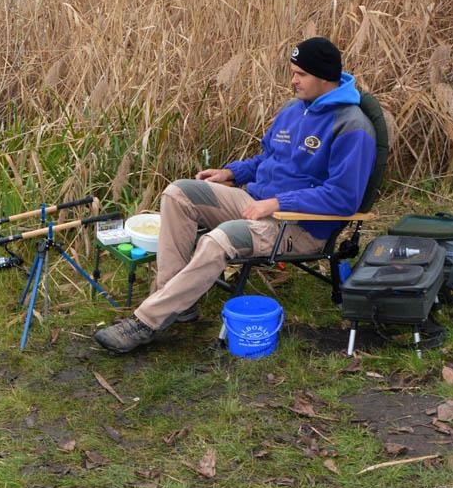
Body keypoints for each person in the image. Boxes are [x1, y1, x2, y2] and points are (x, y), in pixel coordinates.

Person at [94, 37, 377, 354]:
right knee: (178, 193)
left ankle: (146, 321)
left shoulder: (353, 127)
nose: (293, 80)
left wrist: (279, 203)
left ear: (325, 77)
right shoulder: (294, 110)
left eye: (301, 74)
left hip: (298, 227)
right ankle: (175, 302)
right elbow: (266, 159)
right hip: (256, 204)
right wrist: (233, 173)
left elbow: (343, 197)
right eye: (292, 72)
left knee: (218, 239)